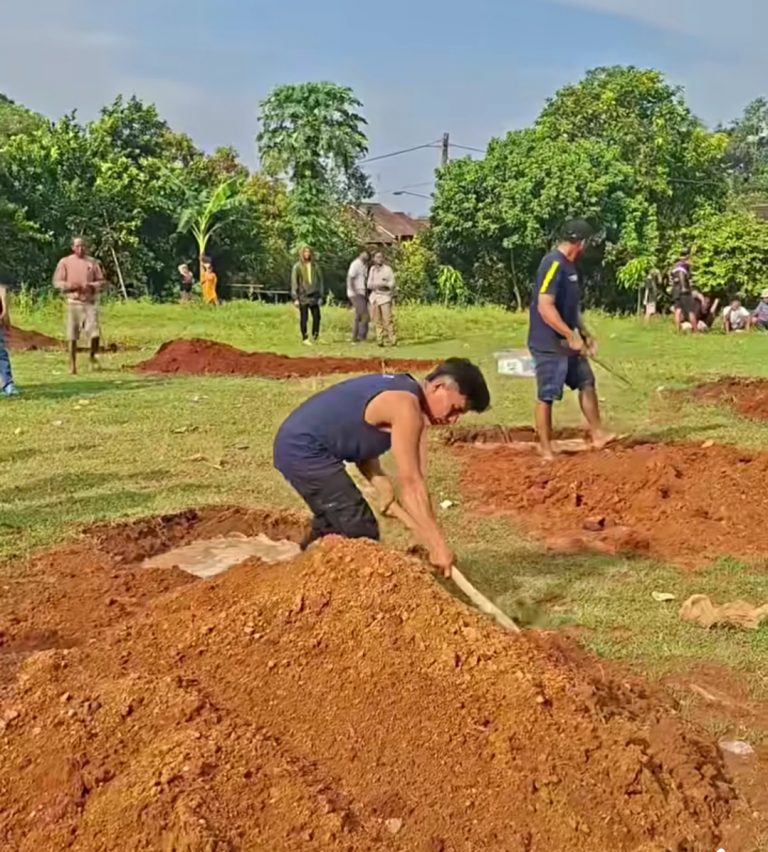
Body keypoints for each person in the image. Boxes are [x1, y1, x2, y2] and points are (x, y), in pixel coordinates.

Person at [273, 359, 490, 576]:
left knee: (336, 519)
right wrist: (437, 545)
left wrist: (379, 480)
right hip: (303, 449)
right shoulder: (406, 407)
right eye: (454, 409)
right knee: (360, 530)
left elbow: (356, 433)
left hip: (303, 444)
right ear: (438, 387)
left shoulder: (403, 390)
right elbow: (412, 484)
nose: (453, 420)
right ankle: (335, 586)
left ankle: (303, 571)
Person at [527, 219, 614, 461]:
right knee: (548, 393)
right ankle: (545, 448)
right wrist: (568, 334)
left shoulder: (571, 267)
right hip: (548, 343)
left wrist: (584, 333)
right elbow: (545, 306)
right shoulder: (552, 263)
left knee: (586, 381)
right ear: (580, 242)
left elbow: (571, 309)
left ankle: (598, 434)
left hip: (568, 341)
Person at [53, 237, 106, 374]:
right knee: (72, 336)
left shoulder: (93, 263)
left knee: (94, 334)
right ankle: (72, 365)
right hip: (73, 302)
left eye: (83, 246)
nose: (80, 249)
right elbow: (57, 282)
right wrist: (71, 286)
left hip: (89, 302)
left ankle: (93, 358)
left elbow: (101, 282)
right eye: (77, 246)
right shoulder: (65, 262)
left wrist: (91, 286)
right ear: (72, 247)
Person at [291, 246, 323, 345]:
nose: (307, 254)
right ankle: (305, 338)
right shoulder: (297, 266)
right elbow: (294, 282)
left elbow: (320, 281)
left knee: (317, 317)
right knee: (304, 318)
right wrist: (295, 298)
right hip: (303, 295)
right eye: (305, 252)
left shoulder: (315, 266)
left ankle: (315, 336)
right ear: (302, 254)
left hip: (314, 295)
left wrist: (321, 295)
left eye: (308, 252)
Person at [368, 251, 397, 347]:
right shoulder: (372, 269)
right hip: (375, 297)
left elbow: (392, 284)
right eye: (377, 257)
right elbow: (369, 285)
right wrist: (380, 284)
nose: (379, 259)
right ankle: (379, 340)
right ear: (374, 259)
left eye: (380, 257)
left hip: (385, 297)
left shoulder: (388, 270)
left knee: (387, 320)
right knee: (377, 321)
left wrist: (384, 284)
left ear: (383, 258)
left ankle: (392, 339)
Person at [669, 251, 698, 333]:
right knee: (690, 310)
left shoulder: (674, 266)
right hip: (683, 290)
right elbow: (682, 274)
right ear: (686, 256)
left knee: (678, 310)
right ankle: (695, 331)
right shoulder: (683, 265)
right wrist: (684, 287)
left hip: (675, 290)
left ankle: (678, 330)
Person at [347, 249, 370, 343]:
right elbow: (350, 278)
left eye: (368, 255)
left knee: (358, 315)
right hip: (356, 293)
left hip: (362, 292)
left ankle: (354, 336)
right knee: (365, 315)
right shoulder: (355, 264)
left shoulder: (365, 265)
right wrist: (353, 291)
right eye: (364, 254)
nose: (366, 256)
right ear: (360, 254)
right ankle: (362, 336)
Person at [0, 284, 19, 396]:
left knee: (1, 354)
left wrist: (5, 317)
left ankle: (8, 385)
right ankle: (8, 385)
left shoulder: (1, 289)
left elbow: (5, 312)